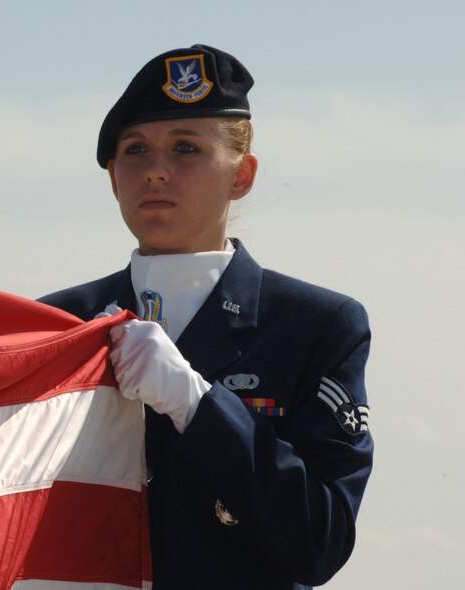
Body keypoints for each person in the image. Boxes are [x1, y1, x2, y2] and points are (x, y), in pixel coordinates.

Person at [38, 45, 373, 590]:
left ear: (242, 176)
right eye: (135, 150)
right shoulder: (57, 323)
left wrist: (196, 403)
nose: (156, 171)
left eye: (186, 148)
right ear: (113, 179)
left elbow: (320, 540)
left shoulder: (316, 326)